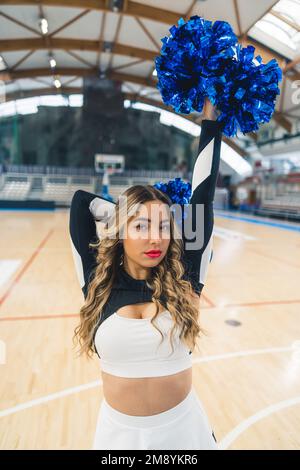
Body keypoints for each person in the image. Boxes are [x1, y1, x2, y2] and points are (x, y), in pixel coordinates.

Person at [69, 98, 222, 450]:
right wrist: (122, 213)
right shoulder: (98, 281)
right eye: (142, 226)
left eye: (163, 227)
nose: (156, 237)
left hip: (185, 433)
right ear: (121, 230)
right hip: (119, 438)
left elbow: (203, 194)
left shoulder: (186, 275)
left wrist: (210, 119)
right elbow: (81, 203)